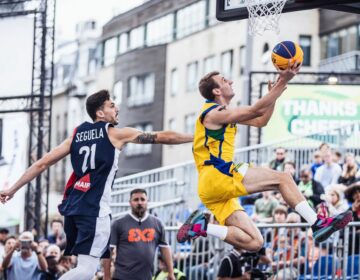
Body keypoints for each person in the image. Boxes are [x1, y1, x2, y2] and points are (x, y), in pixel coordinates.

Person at [0, 89, 193, 280]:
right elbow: (160, 137)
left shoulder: (76, 135)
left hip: (74, 210)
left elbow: (42, 163)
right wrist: (195, 137)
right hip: (95, 210)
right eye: (111, 105)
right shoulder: (116, 134)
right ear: (100, 113)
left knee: (83, 267)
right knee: (86, 271)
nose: (117, 108)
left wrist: (13, 188)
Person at [176, 68, 352, 252]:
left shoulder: (223, 113)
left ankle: (200, 227)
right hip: (218, 175)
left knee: (255, 242)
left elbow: (261, 120)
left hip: (211, 186)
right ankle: (317, 223)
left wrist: (273, 95)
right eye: (224, 80)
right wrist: (283, 81)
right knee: (283, 178)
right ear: (216, 91)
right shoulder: (214, 113)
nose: (230, 81)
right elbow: (255, 110)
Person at [107, 188, 175, 280]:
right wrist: (106, 276)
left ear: (147, 202)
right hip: (122, 277)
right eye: (136, 199)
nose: (139, 202)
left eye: (142, 199)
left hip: (147, 277)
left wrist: (171, 272)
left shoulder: (157, 223)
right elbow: (108, 251)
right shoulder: (118, 223)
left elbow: (165, 248)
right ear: (130, 202)